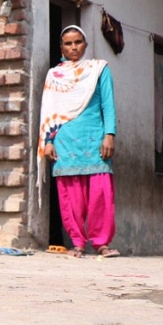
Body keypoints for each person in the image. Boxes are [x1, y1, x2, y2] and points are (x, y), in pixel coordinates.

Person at [37, 25, 119, 258]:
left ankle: (101, 243)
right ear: (61, 47)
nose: (73, 47)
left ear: (85, 44)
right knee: (70, 196)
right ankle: (78, 243)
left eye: (78, 42)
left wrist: (109, 134)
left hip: (95, 138)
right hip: (65, 140)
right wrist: (48, 141)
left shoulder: (98, 70)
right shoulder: (55, 75)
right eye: (68, 43)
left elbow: (108, 105)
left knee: (100, 194)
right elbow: (49, 109)